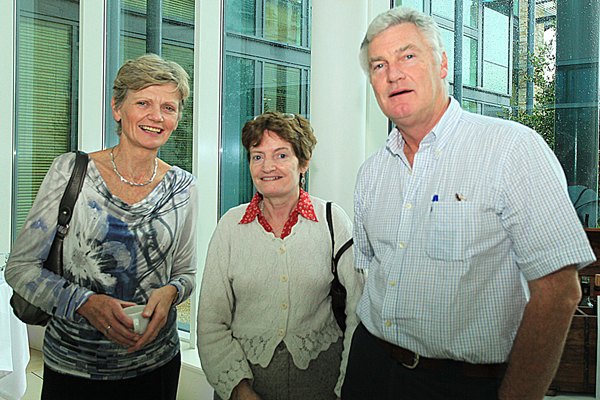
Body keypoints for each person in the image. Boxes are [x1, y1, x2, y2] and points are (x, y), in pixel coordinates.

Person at [342, 6, 596, 400]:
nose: (393, 74)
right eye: (379, 65)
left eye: (408, 55)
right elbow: (368, 276)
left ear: (442, 63)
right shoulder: (371, 172)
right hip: (370, 368)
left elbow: (559, 292)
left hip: (461, 384)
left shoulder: (512, 150)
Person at [6, 54, 198, 400]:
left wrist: (171, 292)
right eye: (143, 103)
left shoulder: (183, 187)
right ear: (117, 108)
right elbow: (20, 268)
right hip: (75, 370)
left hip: (157, 366)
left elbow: (185, 273)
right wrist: (84, 302)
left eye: (168, 107)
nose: (157, 116)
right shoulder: (70, 172)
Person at [197, 111, 364, 400]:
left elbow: (358, 310)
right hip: (245, 383)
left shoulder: (333, 221)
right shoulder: (230, 227)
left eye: (281, 155)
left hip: (322, 384)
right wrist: (239, 390)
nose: (267, 167)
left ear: (304, 162)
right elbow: (211, 322)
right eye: (257, 156)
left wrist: (344, 388)